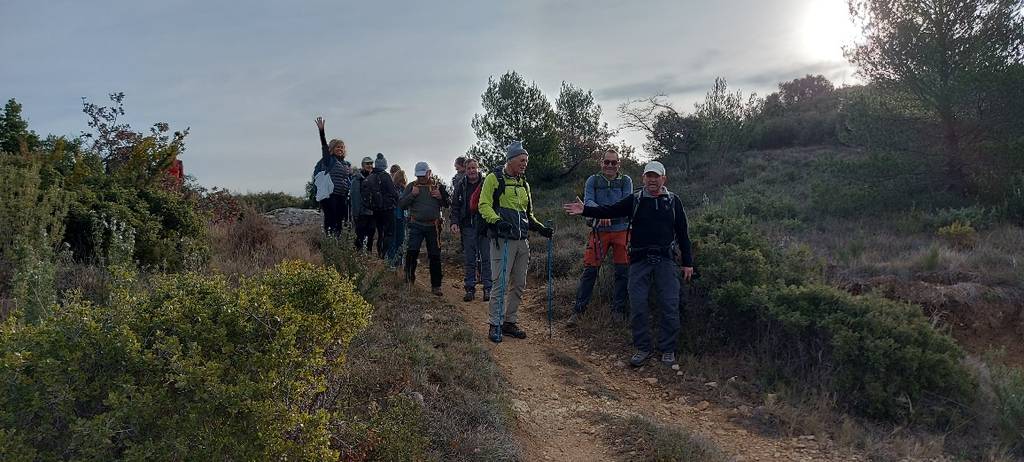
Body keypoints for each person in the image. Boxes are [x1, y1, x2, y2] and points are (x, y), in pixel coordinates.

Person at [563, 161, 694, 367]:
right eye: (648, 176)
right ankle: (642, 348)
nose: (652, 180)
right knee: (638, 305)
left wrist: (688, 263)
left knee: (670, 304)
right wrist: (586, 209)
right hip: (639, 260)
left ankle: (668, 349)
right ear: (643, 178)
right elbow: (609, 210)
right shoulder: (635, 200)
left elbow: (683, 234)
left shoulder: (673, 201)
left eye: (656, 176)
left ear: (663, 179)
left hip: (666, 260)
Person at [479, 141, 554, 343]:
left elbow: (528, 214)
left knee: (519, 284)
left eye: (526, 160)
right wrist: (497, 222)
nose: (525, 164)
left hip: (522, 241)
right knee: (500, 283)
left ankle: (509, 322)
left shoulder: (524, 184)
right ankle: (495, 325)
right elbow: (484, 205)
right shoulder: (494, 179)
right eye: (522, 160)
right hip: (502, 241)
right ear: (511, 160)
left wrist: (539, 228)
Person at [567, 149, 633, 326]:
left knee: (622, 272)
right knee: (590, 271)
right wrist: (600, 214)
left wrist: (605, 214)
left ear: (619, 164)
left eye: (613, 162)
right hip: (599, 231)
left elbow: (627, 204)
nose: (610, 165)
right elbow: (588, 201)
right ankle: (578, 311)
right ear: (601, 163)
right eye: (607, 162)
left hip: (622, 230)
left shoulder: (626, 181)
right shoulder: (593, 180)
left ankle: (618, 311)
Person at [399, 162, 450, 296]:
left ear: (429, 172)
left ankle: (436, 286)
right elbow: (402, 205)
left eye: (423, 175)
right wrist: (412, 195)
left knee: (434, 255)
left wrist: (441, 196)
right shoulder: (411, 186)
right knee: (412, 252)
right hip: (416, 224)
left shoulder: (438, 187)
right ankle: (409, 281)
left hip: (433, 226)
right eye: (419, 176)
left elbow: (447, 203)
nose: (421, 178)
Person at [449, 158, 492, 302]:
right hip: (468, 226)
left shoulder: (486, 183)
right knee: (470, 259)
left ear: (478, 168)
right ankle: (470, 289)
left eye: (474, 168)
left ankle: (488, 289)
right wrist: (454, 222)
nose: (472, 171)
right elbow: (455, 205)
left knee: (486, 258)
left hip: (485, 226)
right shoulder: (461, 185)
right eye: (469, 168)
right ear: (465, 170)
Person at [312, 117, 352, 235]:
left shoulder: (345, 164)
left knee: (339, 222)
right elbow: (324, 146)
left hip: (341, 196)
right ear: (332, 149)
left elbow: (347, 180)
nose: (340, 149)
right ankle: (329, 244)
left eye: (342, 147)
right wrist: (321, 132)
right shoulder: (329, 160)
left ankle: (337, 244)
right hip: (330, 196)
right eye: (337, 147)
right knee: (331, 221)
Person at [367, 153, 399, 259]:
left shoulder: (371, 176)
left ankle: (380, 252)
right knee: (389, 233)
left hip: (376, 209)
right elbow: (394, 193)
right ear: (384, 165)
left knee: (380, 233)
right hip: (387, 209)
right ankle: (385, 255)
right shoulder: (385, 176)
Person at [350, 156, 375, 251]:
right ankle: (357, 257)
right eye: (367, 163)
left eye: (371, 163)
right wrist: (356, 214)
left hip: (372, 213)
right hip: (362, 213)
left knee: (371, 236)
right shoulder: (357, 179)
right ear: (363, 165)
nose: (369, 165)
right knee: (360, 236)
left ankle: (368, 257)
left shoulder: (374, 178)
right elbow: (355, 197)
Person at [388, 167, 408, 267]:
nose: (402, 182)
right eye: (401, 180)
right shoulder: (392, 189)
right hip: (393, 217)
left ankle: (399, 263)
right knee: (393, 240)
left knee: (400, 241)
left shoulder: (405, 190)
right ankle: (392, 263)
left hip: (401, 218)